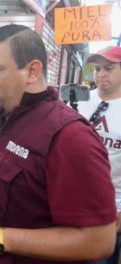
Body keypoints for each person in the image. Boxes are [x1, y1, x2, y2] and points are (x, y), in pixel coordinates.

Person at [0, 24, 116, 263]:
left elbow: (98, 240)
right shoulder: (2, 119)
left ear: (32, 72)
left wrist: (0, 238)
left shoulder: (69, 137)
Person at [77, 46, 121, 264]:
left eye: (109, 68)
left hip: (110, 208)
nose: (101, 74)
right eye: (97, 69)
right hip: (72, 199)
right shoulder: (80, 100)